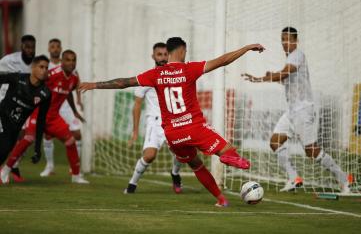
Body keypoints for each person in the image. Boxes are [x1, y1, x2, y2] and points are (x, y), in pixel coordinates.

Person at [79, 37, 265, 206]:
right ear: (182, 50)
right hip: (194, 126)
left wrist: (95, 85)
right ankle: (229, 158)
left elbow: (123, 83)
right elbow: (223, 60)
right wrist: (247, 47)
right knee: (228, 150)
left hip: (173, 135)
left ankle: (221, 199)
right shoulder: (189, 68)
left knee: (196, 165)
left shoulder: (155, 74)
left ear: (167, 52)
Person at [242, 27, 351, 193]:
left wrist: (261, 78)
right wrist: (268, 77)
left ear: (295, 41)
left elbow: (284, 75)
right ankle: (294, 178)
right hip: (291, 111)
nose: (284, 43)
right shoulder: (289, 60)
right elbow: (284, 78)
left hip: (303, 110)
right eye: (282, 40)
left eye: (288, 39)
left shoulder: (297, 55)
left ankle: (344, 178)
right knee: (275, 142)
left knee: (311, 151)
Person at [1, 50, 89, 184]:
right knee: (27, 138)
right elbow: (37, 85)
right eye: (68, 60)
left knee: (71, 140)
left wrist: (74, 111)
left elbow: (68, 93)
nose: (71, 63)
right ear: (61, 61)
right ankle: (5, 170)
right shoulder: (52, 74)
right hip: (39, 113)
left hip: (54, 118)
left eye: (73, 60)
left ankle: (76, 176)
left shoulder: (74, 78)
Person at [125, 42, 183, 194]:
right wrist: (135, 131)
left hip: (173, 121)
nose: (163, 58)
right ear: (153, 56)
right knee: (149, 155)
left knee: (182, 153)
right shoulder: (147, 77)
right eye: (159, 54)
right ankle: (132, 185)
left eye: (165, 54)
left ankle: (175, 174)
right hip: (155, 122)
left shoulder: (175, 75)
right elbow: (137, 104)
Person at [0, 55, 51, 182]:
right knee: (4, 147)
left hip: (14, 128)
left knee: (4, 152)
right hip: (2, 117)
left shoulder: (45, 93)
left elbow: (41, 121)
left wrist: (37, 148)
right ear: (33, 67)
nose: (44, 70)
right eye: (41, 67)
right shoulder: (18, 78)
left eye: (46, 68)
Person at [40, 38, 84, 177]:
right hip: (51, 105)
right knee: (47, 135)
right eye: (52, 46)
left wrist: (78, 101)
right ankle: (50, 166)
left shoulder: (69, 65)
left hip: (65, 105)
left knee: (77, 134)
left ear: (61, 49)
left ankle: (75, 168)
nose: (55, 49)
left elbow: (75, 83)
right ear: (48, 48)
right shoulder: (45, 66)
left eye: (57, 46)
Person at [0, 34, 37, 182]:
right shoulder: (9, 60)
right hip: (5, 101)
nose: (30, 50)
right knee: (7, 138)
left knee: (23, 137)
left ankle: (12, 165)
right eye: (27, 47)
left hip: (23, 106)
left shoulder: (36, 65)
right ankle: (10, 167)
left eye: (32, 47)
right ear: (21, 47)